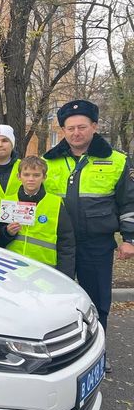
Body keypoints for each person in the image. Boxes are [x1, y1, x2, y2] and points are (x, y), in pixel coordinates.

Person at [43, 99, 134, 342]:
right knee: (55, 299)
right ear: (63, 130)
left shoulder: (118, 160)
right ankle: (62, 348)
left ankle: (97, 348)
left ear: (94, 126)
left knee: (97, 299)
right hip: (57, 243)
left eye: (82, 127)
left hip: (96, 243)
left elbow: (129, 202)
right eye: (70, 128)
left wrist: (129, 239)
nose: (76, 133)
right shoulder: (47, 161)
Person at [0, 157, 75, 277]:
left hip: (45, 271)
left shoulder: (55, 203)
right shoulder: (8, 202)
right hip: (12, 269)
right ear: (19, 176)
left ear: (44, 177)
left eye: (36, 175)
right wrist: (7, 232)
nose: (31, 179)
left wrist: (66, 275)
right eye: (26, 175)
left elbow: (66, 243)